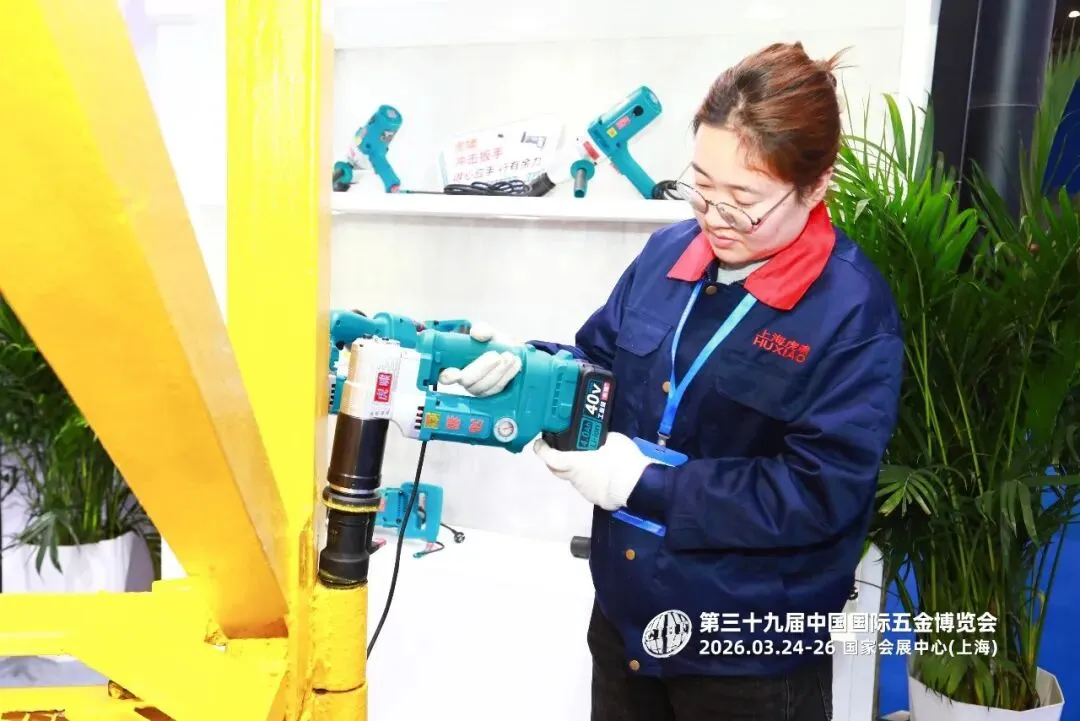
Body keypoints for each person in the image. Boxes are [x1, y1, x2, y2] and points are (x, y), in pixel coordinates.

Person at [438, 42, 905, 721]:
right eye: (701, 187)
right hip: (626, 623)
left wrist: (644, 483)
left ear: (816, 186)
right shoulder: (668, 254)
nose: (714, 217)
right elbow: (599, 363)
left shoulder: (851, 311)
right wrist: (527, 369)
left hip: (745, 659)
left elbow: (819, 492)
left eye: (743, 201)